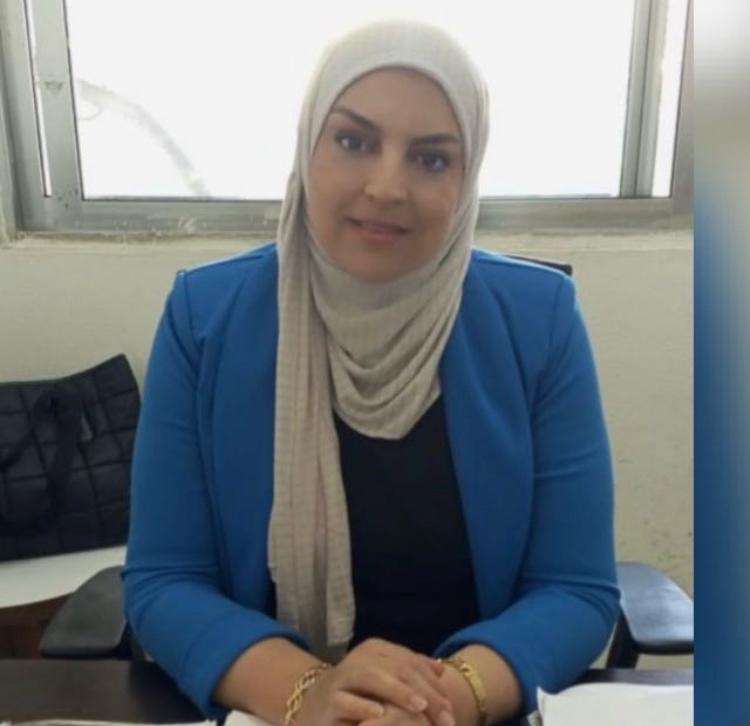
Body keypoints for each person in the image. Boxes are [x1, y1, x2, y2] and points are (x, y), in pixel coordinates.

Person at [123, 18, 619, 726]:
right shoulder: (205, 319)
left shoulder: (540, 320)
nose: (386, 186)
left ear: (467, 178)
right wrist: (311, 693)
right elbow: (166, 581)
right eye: (355, 142)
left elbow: (575, 588)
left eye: (431, 158)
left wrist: (439, 700)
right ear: (308, 146)